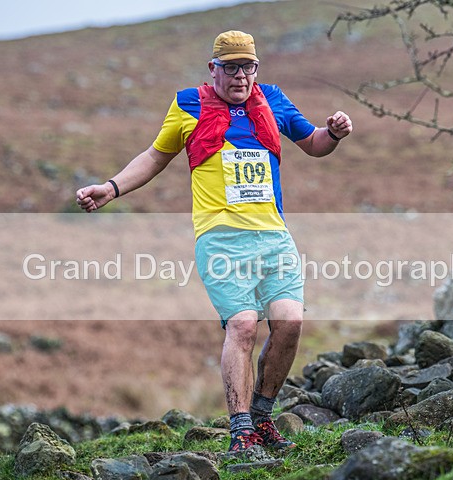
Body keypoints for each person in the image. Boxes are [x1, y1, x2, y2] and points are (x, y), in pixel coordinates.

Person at [76, 30, 353, 452]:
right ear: (214, 69)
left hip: (273, 236)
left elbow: (313, 143)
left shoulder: (273, 99)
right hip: (221, 239)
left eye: (248, 67)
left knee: (290, 323)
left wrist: (332, 132)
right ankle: (240, 430)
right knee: (242, 326)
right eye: (231, 67)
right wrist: (111, 188)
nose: (241, 76)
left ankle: (262, 418)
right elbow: (155, 156)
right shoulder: (187, 104)